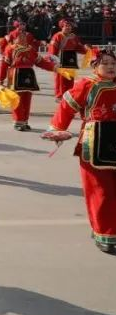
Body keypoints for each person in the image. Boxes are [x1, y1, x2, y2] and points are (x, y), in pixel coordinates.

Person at [43, 49, 116, 254]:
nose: (111, 67)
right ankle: (105, 233)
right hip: (95, 142)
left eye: (113, 63)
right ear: (95, 66)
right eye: (106, 63)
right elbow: (67, 106)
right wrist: (57, 129)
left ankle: (108, 228)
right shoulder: (86, 84)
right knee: (100, 190)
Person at [0, 29, 57, 131]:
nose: (23, 38)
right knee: (16, 99)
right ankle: (18, 121)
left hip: (28, 76)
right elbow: (4, 65)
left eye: (24, 36)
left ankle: (24, 121)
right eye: (20, 37)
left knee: (27, 99)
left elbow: (41, 62)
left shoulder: (30, 49)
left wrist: (55, 68)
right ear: (15, 39)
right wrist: (0, 79)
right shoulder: (10, 49)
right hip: (15, 75)